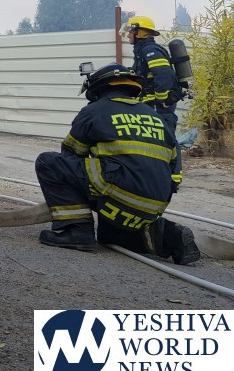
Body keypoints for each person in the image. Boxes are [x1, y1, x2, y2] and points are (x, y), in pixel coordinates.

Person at [35, 62, 200, 265]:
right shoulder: (156, 117)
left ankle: (77, 230)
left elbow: (70, 154)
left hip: (118, 193)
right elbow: (174, 166)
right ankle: (168, 237)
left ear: (98, 89)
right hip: (154, 204)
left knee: (48, 163)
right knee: (108, 236)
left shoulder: (94, 111)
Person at [120, 15, 183, 190]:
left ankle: (174, 176)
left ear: (139, 33)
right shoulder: (142, 51)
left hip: (160, 104)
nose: (128, 35)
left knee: (167, 136)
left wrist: (162, 98)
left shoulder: (150, 50)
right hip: (151, 104)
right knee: (153, 138)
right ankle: (157, 173)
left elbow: (164, 74)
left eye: (131, 31)